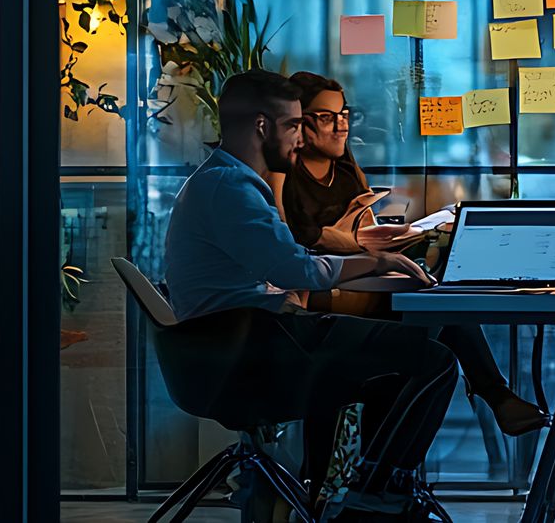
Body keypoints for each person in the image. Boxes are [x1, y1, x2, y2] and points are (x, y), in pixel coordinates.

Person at [163, 70, 454, 514]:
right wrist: (377, 261)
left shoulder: (220, 181)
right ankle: (374, 500)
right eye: (294, 125)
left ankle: (374, 495)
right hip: (251, 351)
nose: (299, 139)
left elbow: (276, 267)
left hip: (239, 345)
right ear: (262, 126)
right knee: (434, 360)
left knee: (395, 366)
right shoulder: (231, 187)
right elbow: (293, 268)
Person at [274, 71, 549, 437]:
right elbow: (291, 241)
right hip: (322, 291)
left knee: (433, 312)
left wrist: (402, 237)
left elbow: (362, 227)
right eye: (326, 117)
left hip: (363, 282)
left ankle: (393, 454)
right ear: (299, 122)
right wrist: (357, 243)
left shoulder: (345, 171)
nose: (341, 126)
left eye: (345, 114)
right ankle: (494, 396)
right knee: (430, 324)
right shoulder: (283, 173)